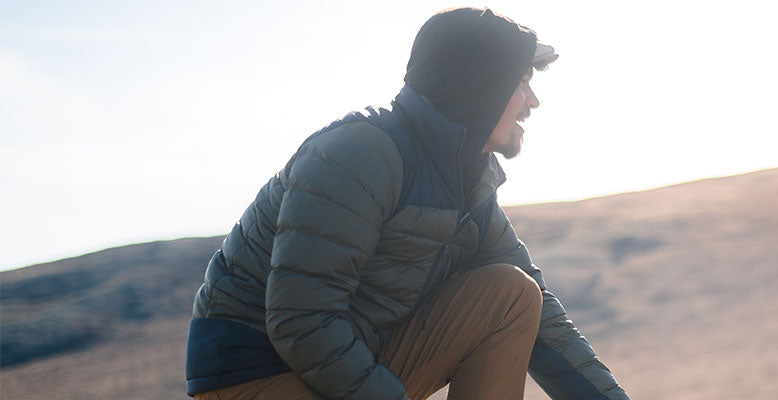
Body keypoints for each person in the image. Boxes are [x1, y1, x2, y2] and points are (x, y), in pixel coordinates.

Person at [184, 8, 628, 400]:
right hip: (253, 372)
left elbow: (547, 327)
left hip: (342, 366)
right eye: (522, 83)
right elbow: (301, 320)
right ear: (481, 86)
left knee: (512, 294)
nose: (532, 102)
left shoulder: (469, 186)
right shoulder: (359, 153)